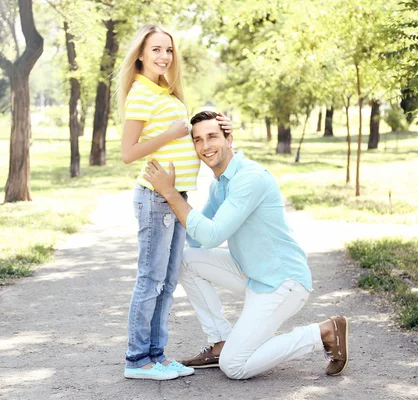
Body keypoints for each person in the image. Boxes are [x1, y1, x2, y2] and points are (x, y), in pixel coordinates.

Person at [143, 110, 349, 380]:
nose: (206, 146)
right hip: (251, 272)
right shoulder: (221, 183)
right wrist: (176, 193)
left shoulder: (249, 178)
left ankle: (322, 332)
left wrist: (169, 193)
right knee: (186, 260)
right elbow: (196, 235)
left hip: (281, 283)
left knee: (235, 367)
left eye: (213, 136)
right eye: (198, 140)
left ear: (229, 138)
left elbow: (211, 236)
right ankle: (220, 342)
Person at [117, 25, 232, 381]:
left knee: (167, 283)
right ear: (140, 54)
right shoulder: (140, 94)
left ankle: (157, 355)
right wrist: (169, 134)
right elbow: (127, 153)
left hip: (175, 197)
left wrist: (223, 130)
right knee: (150, 280)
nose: (164, 56)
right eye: (156, 49)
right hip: (155, 198)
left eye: (168, 50)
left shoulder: (164, 92)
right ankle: (137, 359)